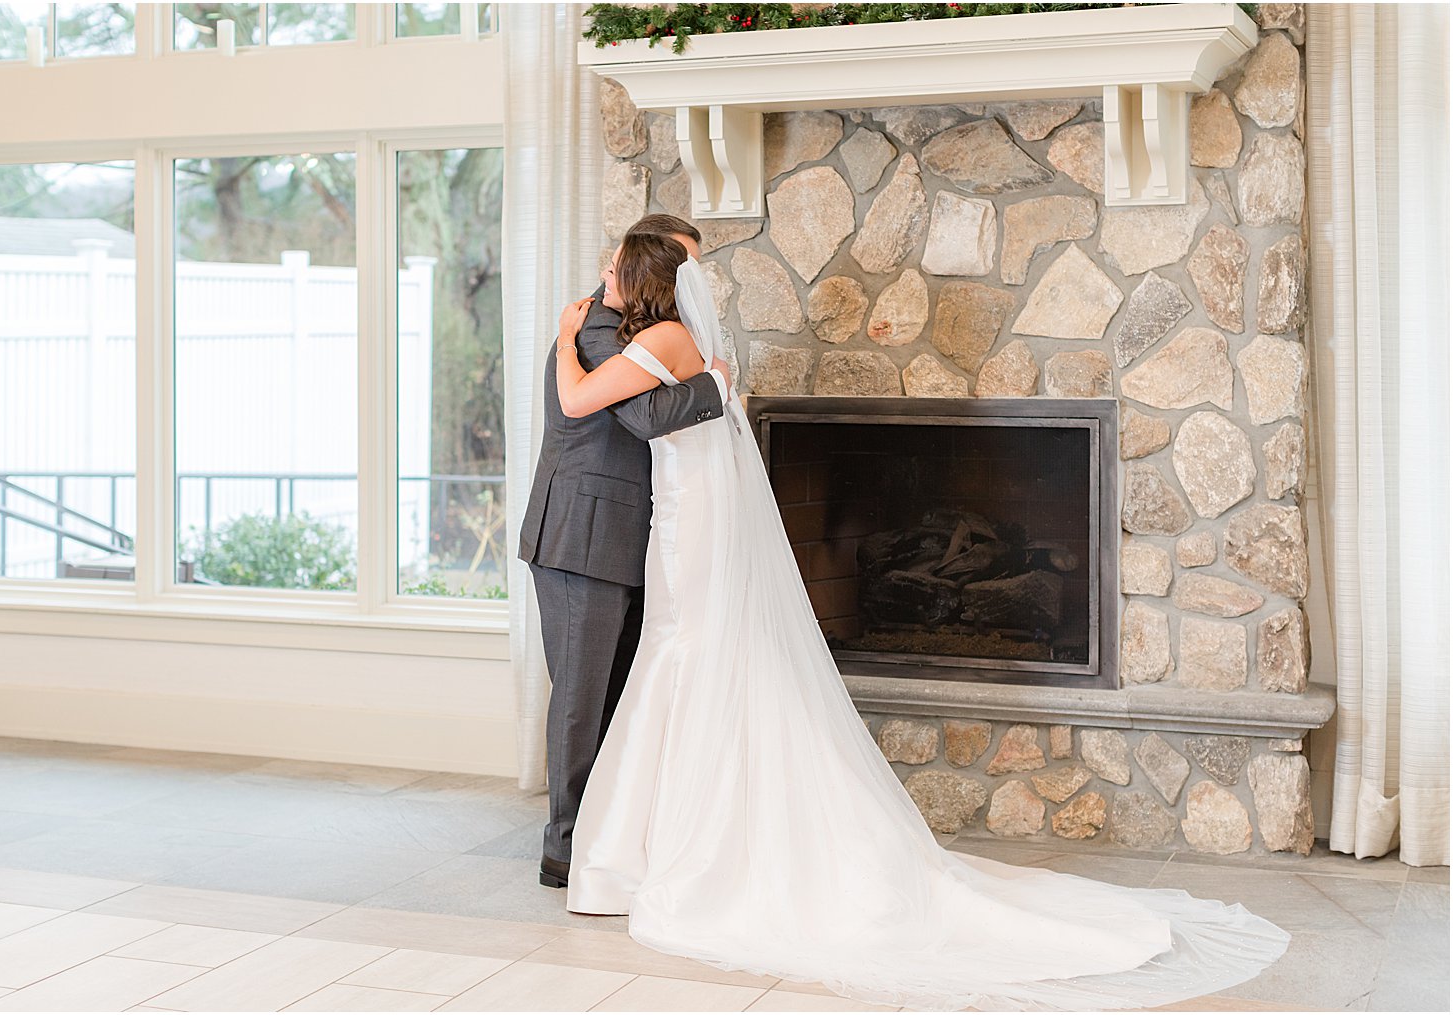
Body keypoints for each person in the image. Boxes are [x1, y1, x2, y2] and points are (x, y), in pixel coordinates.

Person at [547, 232, 1293, 1011]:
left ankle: (648, 850)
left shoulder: (657, 336)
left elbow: (578, 398)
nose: (602, 279)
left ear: (641, 280)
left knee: (681, 650)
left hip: (688, 525)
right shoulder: (683, 341)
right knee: (684, 653)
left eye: (612, 270)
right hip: (685, 514)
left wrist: (566, 338)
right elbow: (657, 412)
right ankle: (660, 839)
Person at [516, 215, 733, 891]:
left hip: (629, 536)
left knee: (618, 694)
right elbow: (640, 418)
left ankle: (607, 834)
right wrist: (717, 382)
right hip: (580, 536)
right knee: (582, 697)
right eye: (676, 269)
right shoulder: (594, 328)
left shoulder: (642, 332)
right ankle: (564, 847)